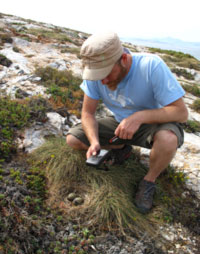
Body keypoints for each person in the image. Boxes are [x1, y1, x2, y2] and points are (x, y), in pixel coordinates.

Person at [66, 32, 188, 213]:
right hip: (119, 123)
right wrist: (94, 142)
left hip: (154, 122)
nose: (103, 81)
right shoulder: (95, 75)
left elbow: (181, 112)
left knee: (168, 139)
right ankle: (121, 150)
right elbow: (87, 113)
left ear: (123, 58)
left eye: (106, 73)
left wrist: (139, 117)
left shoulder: (151, 66)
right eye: (97, 75)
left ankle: (149, 181)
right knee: (73, 139)